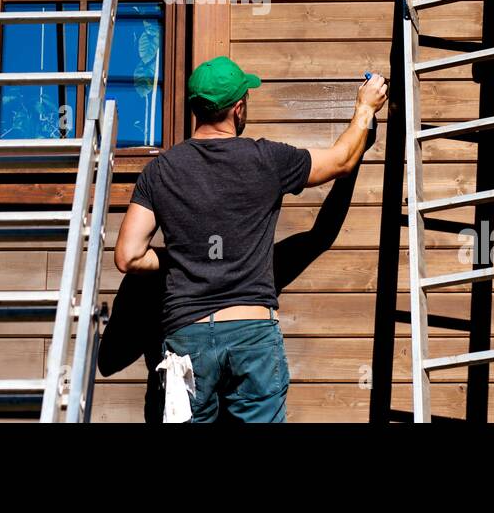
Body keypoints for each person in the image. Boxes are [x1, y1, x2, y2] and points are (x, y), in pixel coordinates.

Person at [114, 54, 389, 422]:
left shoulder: (160, 170)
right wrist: (365, 109)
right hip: (251, 332)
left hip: (187, 339)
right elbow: (341, 160)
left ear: (196, 109)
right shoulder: (265, 159)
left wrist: (178, 258)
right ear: (238, 109)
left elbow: (128, 257)